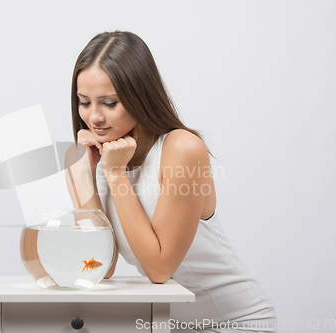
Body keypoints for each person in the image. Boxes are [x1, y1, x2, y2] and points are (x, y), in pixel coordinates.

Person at [64, 31, 277, 332]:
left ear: (140, 97)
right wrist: (85, 174)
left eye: (109, 103)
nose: (94, 117)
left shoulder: (182, 149)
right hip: (170, 325)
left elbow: (160, 268)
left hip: (236, 323)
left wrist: (115, 174)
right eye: (84, 102)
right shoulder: (89, 157)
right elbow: (102, 267)